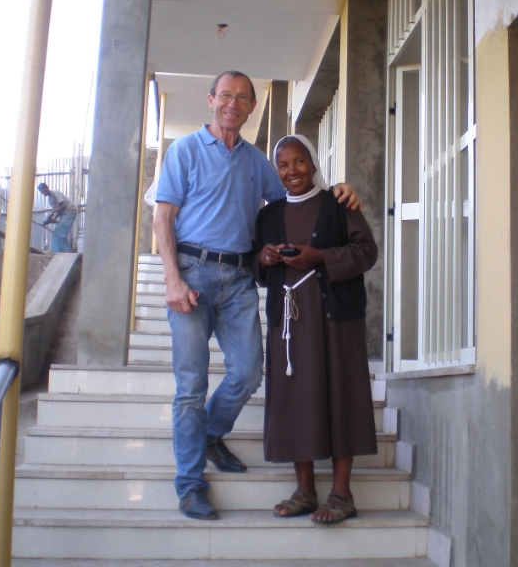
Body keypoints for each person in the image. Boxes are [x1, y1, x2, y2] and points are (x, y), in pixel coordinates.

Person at [153, 70, 360, 521]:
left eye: (243, 98)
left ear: (251, 108)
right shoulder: (184, 150)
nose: (233, 103)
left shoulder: (257, 162)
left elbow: (298, 190)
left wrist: (339, 190)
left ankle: (211, 432)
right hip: (191, 272)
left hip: (239, 278)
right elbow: (163, 218)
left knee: (248, 373)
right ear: (211, 100)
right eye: (226, 95)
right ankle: (190, 485)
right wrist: (171, 279)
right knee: (190, 386)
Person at [253, 135, 378, 525]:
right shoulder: (269, 215)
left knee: (342, 394)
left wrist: (320, 257)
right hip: (290, 321)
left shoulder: (338, 204)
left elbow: (367, 252)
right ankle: (305, 490)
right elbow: (256, 269)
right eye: (283, 165)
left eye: (299, 161)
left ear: (313, 163)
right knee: (295, 400)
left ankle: (342, 494)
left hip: (336, 318)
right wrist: (264, 258)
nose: (292, 171)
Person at [37, 183, 77, 252]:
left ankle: (67, 252)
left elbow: (63, 205)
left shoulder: (55, 193)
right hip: (63, 214)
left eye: (43, 191)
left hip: (69, 211)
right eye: (41, 192)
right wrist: (51, 219)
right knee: (56, 235)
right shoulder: (50, 200)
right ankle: (55, 252)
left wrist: (52, 213)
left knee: (60, 234)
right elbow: (58, 210)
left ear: (47, 188)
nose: (43, 193)